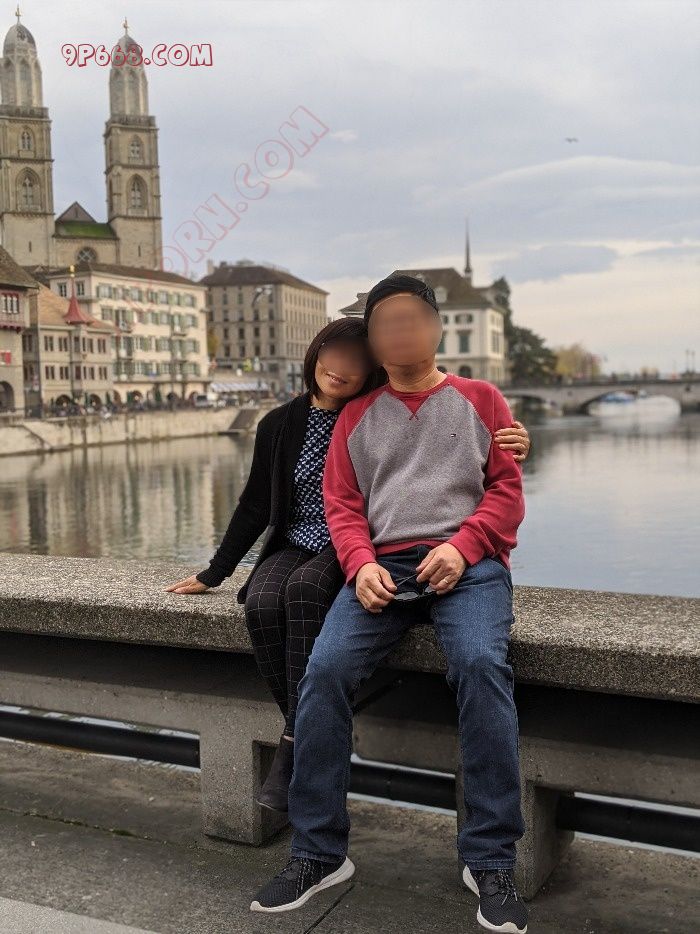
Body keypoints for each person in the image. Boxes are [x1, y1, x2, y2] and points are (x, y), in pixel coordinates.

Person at [251, 275, 530, 934]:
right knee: (323, 673)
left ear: (436, 328)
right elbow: (343, 506)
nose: (400, 334)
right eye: (386, 325)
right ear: (374, 341)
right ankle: (319, 851)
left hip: (469, 566)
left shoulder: (481, 399)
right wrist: (361, 564)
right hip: (383, 566)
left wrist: (463, 548)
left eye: (412, 320)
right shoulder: (357, 415)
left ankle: (490, 857)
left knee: (481, 666)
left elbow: (506, 492)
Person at [166, 315, 530, 815]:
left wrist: (512, 439)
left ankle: (295, 746)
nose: (341, 367)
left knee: (306, 594)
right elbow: (255, 503)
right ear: (315, 354)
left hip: (351, 543)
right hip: (299, 539)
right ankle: (302, 729)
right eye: (333, 354)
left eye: (357, 361)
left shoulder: (370, 413)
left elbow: (441, 438)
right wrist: (215, 571)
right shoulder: (279, 423)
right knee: (262, 603)